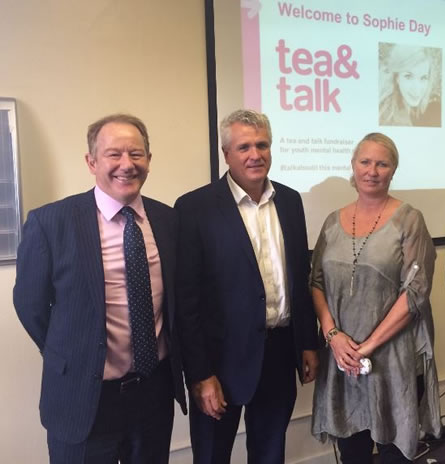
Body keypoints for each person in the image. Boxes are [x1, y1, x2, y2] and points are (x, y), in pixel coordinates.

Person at [13, 114, 187, 464]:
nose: (127, 164)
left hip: (152, 396)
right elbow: (30, 307)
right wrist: (71, 353)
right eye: (113, 154)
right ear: (91, 162)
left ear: (149, 160)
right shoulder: (51, 223)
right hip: (83, 398)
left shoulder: (168, 220)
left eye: (136, 154)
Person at [174, 109, 319, 464]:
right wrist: (200, 374)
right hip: (220, 361)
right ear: (226, 154)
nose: (255, 155)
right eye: (244, 147)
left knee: (270, 453)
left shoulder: (290, 200)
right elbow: (186, 301)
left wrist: (307, 343)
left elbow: (299, 276)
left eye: (262, 145)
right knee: (212, 456)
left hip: (279, 352)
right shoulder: (194, 207)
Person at [310, 132, 441, 463]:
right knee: (351, 451)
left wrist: (366, 347)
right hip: (342, 357)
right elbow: (316, 281)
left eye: (382, 164)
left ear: (393, 170)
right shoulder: (332, 222)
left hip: (393, 358)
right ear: (353, 166)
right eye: (365, 162)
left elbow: (416, 291)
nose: (372, 171)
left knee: (393, 452)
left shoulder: (409, 219)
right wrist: (333, 336)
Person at [379, 44, 442, 127]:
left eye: (423, 78)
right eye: (408, 76)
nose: (417, 90)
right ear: (396, 77)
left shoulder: (428, 108)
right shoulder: (387, 118)